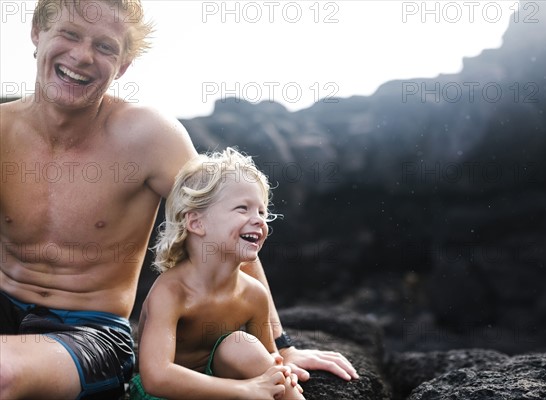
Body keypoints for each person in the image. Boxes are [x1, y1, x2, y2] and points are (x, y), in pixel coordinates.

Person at [0, 0, 358, 399]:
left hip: (90, 331)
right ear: (37, 32)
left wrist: (283, 345)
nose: (82, 56)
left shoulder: (149, 136)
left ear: (122, 66)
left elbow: (228, 229)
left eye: (105, 47)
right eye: (69, 34)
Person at [130, 148, 304, 399]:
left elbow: (268, 359)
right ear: (197, 223)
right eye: (243, 208)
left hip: (221, 381)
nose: (258, 220)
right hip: (167, 394)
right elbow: (156, 377)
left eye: (262, 212)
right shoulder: (172, 291)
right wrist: (244, 390)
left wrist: (281, 372)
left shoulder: (254, 294)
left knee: (240, 345)